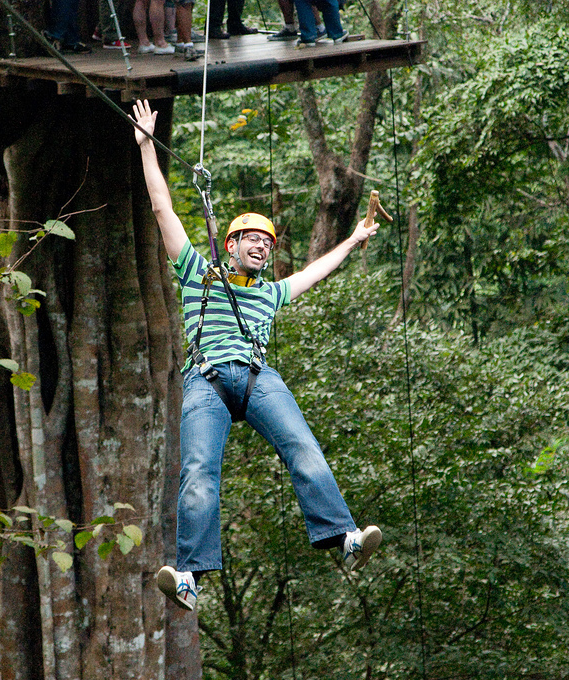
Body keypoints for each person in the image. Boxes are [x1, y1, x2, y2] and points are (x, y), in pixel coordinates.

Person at [131, 99, 383, 612]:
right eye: (251, 239)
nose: (261, 247)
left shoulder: (271, 293)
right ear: (230, 245)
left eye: (267, 242)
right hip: (205, 381)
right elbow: (163, 210)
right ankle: (188, 576)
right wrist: (145, 149)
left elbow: (317, 270)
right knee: (199, 471)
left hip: (257, 378)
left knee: (302, 447)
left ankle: (344, 537)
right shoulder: (198, 272)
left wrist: (355, 238)